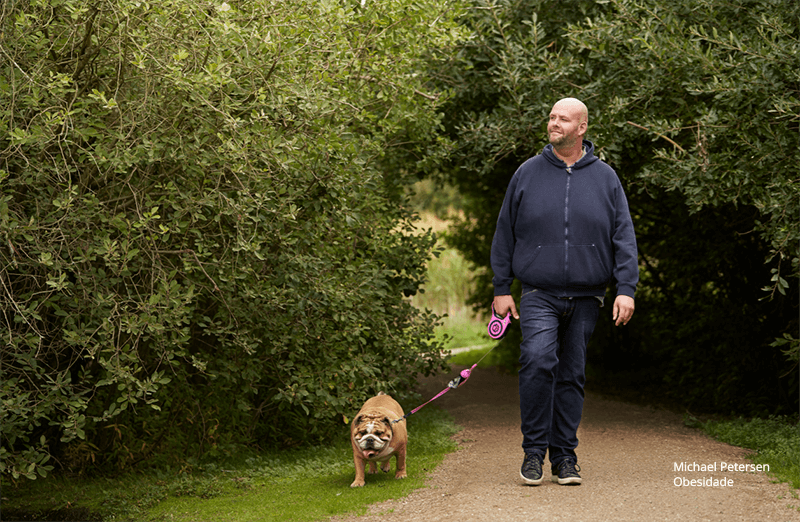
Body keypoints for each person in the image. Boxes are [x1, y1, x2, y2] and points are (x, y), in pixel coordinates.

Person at [490, 98, 638, 486]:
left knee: (571, 374)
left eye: (563, 118)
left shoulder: (605, 177)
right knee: (538, 361)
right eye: (551, 116)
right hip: (539, 290)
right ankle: (533, 454)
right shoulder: (527, 173)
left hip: (589, 296)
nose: (553, 123)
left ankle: (565, 457)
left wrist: (626, 288)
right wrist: (501, 287)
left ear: (582, 127)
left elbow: (623, 235)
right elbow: (505, 232)